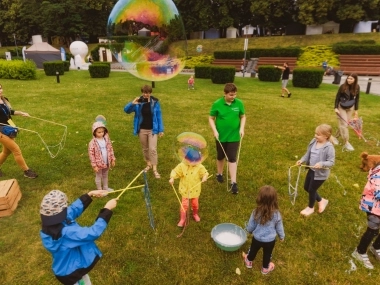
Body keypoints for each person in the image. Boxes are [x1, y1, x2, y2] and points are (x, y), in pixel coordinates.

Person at [40, 189, 118, 285]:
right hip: (71, 273)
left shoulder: (51, 224)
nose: (67, 208)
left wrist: (89, 195)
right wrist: (107, 210)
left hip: (71, 266)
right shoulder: (65, 233)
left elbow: (72, 209)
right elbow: (92, 233)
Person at [208, 83, 246, 194]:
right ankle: (219, 174)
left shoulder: (239, 103)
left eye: (234, 95)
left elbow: (243, 116)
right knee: (220, 156)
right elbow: (211, 118)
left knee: (232, 158)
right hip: (221, 136)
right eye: (231, 95)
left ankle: (234, 182)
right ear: (224, 93)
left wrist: (241, 129)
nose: (233, 97)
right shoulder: (217, 104)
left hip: (234, 136)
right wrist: (215, 131)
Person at [242, 185, 285, 275]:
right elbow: (279, 227)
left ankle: (249, 261)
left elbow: (251, 225)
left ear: (260, 199)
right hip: (270, 240)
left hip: (257, 238)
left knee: (253, 250)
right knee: (267, 254)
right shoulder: (276, 214)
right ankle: (265, 268)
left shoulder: (256, 212)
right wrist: (282, 236)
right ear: (274, 200)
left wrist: (249, 231)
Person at [124, 85, 164, 178]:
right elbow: (126, 110)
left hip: (153, 130)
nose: (146, 94)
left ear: (150, 93)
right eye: (144, 92)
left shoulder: (155, 102)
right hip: (142, 129)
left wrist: (161, 130)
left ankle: (155, 169)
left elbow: (159, 116)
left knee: (153, 149)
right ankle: (148, 164)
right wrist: (132, 103)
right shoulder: (139, 102)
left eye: (148, 93)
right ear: (142, 92)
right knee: (145, 149)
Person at [296, 124, 335, 216]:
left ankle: (310, 208)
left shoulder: (329, 147)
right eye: (315, 133)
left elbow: (331, 162)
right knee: (306, 187)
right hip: (311, 170)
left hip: (320, 174)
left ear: (326, 136)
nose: (315, 136)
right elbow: (307, 154)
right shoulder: (314, 141)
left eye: (318, 134)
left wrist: (321, 164)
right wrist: (301, 160)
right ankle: (322, 200)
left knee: (312, 190)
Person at [0, 83, 38, 178]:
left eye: (0, 88)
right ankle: (26, 171)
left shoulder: (4, 100)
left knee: (6, 152)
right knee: (16, 150)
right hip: (1, 131)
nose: (0, 91)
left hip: (9, 129)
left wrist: (22, 113)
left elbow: (10, 112)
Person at [352, 162, 380, 269]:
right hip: (373, 206)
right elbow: (378, 193)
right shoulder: (378, 173)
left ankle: (376, 247)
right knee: (373, 230)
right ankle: (360, 251)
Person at [169, 157, 209, 227]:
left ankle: (195, 214)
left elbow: (205, 173)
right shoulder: (182, 165)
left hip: (195, 190)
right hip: (185, 190)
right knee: (184, 205)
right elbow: (175, 171)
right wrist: (172, 178)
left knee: (195, 204)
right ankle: (182, 219)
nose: (194, 163)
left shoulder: (199, 166)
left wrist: (204, 177)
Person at [333, 73, 360, 151]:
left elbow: (357, 99)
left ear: (355, 79)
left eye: (351, 79)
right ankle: (346, 143)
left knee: (344, 124)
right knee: (344, 124)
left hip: (351, 107)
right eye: (348, 78)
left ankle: (335, 138)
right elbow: (337, 97)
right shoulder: (343, 86)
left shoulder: (357, 87)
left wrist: (356, 110)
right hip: (341, 107)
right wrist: (335, 107)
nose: (349, 80)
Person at [88, 119, 116, 191]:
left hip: (106, 162)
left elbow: (110, 149)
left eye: (102, 132)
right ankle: (99, 190)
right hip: (98, 164)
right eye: (99, 132)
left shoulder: (106, 139)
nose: (101, 133)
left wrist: (112, 159)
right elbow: (91, 155)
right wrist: (94, 166)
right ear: (94, 132)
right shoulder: (92, 143)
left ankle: (105, 188)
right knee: (99, 176)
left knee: (105, 175)